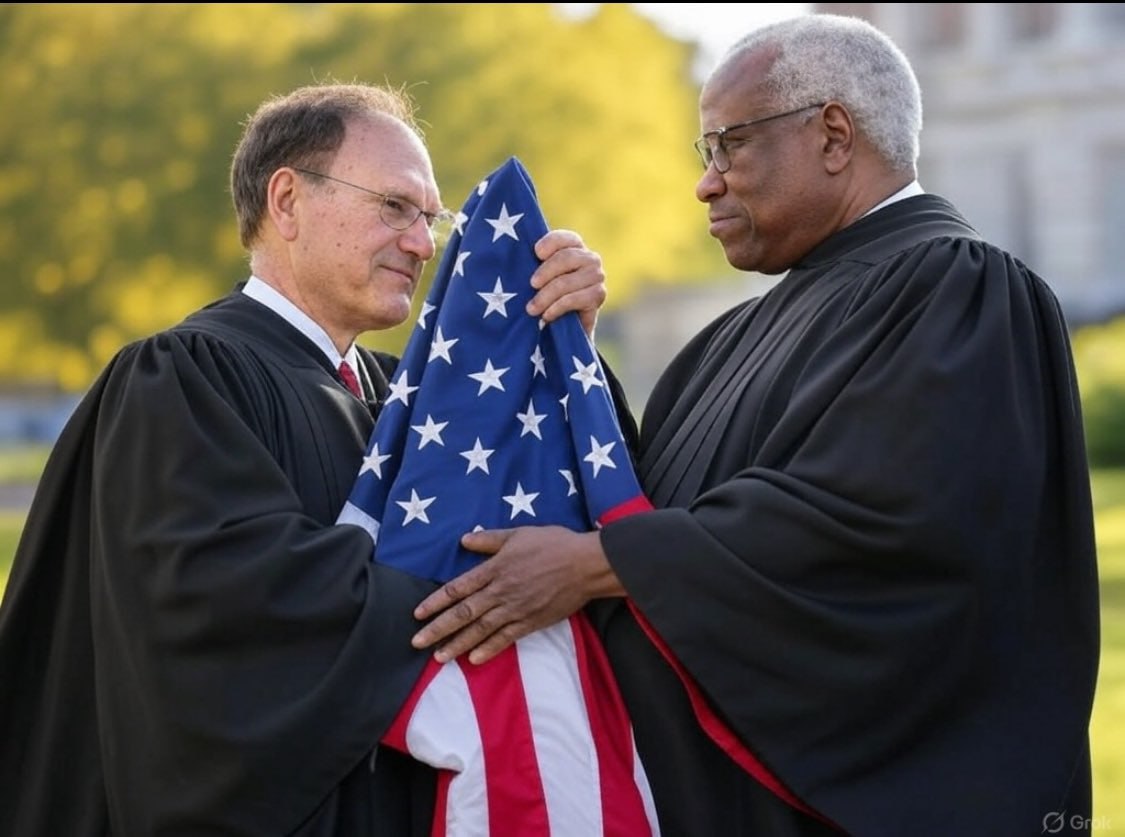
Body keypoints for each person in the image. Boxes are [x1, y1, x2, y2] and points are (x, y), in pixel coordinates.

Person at [408, 13, 1101, 837]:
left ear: (833, 135)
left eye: (728, 145)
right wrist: (572, 357)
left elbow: (882, 521)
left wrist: (598, 565)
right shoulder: (731, 335)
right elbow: (658, 496)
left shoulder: (959, 290)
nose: (706, 183)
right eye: (704, 154)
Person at [0, 82, 609, 836]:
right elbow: (229, 608)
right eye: (394, 207)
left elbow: (551, 505)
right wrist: (481, 590)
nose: (424, 244)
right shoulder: (185, 377)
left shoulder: (411, 399)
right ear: (286, 201)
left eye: (431, 217)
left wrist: (559, 343)